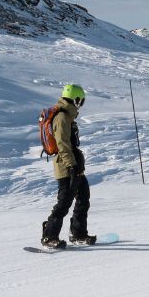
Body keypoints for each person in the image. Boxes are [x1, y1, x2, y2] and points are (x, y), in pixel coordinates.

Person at [41, 84, 96, 248]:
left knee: (83, 199)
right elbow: (63, 144)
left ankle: (78, 234)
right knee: (64, 202)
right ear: (76, 99)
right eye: (81, 101)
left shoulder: (68, 116)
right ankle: (49, 236)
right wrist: (72, 166)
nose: (81, 105)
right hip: (66, 166)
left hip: (74, 166)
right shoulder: (62, 117)